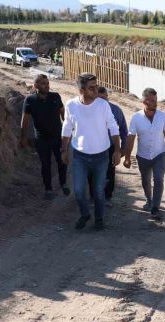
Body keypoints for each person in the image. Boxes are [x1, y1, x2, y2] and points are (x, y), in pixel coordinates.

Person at [61, 73, 122, 231]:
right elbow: (67, 128)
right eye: (91, 88)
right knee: (79, 191)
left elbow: (113, 127)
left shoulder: (103, 105)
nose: (96, 90)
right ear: (82, 90)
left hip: (101, 156)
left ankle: (99, 219)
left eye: (96, 86)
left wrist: (117, 150)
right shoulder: (71, 105)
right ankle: (85, 214)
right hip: (80, 156)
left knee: (98, 191)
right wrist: (64, 150)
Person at [123, 88, 165, 220]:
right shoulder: (136, 118)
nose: (155, 103)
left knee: (158, 179)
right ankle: (149, 200)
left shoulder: (162, 116)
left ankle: (155, 208)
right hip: (143, 156)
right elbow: (131, 138)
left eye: (156, 100)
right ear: (144, 101)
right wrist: (127, 157)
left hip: (160, 155)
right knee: (146, 181)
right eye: (152, 101)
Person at [20, 74, 69, 200]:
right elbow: (24, 120)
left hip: (58, 137)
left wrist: (67, 134)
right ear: (36, 86)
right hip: (41, 139)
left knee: (62, 161)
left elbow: (64, 115)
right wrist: (23, 138)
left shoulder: (55, 97)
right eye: (43, 84)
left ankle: (63, 183)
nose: (47, 86)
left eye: (47, 83)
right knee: (45, 165)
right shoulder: (30, 100)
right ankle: (48, 189)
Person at [87, 86, 128, 207]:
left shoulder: (116, 111)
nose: (102, 102)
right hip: (93, 147)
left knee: (110, 172)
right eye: (99, 99)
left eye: (104, 99)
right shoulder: (89, 110)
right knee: (91, 172)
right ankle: (93, 197)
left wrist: (122, 148)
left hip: (110, 147)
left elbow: (124, 130)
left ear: (107, 97)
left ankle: (107, 196)